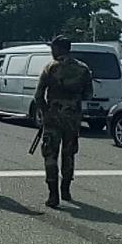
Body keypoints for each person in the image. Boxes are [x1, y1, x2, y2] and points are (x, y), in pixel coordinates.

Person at [33, 36, 93, 208]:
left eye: (53, 48)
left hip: (53, 118)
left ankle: (53, 195)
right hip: (73, 119)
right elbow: (89, 94)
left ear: (59, 49)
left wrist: (45, 111)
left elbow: (38, 96)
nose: (52, 51)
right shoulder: (83, 69)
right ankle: (65, 188)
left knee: (50, 154)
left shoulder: (50, 68)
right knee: (69, 154)